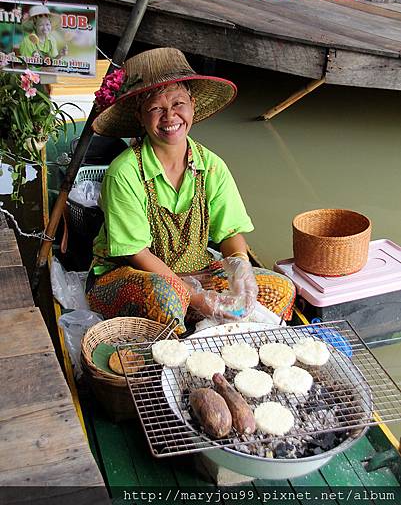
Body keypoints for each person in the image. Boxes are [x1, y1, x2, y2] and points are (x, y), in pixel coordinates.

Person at [86, 48, 295, 334]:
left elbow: (230, 234)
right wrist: (195, 297)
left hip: (198, 271)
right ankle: (180, 351)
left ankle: (203, 326)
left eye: (178, 104)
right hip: (132, 276)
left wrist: (241, 269)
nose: (170, 116)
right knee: (167, 299)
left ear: (193, 106)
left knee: (279, 289)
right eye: (156, 108)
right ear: (140, 116)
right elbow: (137, 253)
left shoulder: (211, 166)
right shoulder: (123, 173)